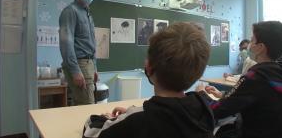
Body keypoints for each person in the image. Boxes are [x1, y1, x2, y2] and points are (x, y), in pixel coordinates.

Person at [83, 22, 215, 138]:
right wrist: (136, 112)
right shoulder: (204, 112)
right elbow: (171, 115)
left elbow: (91, 132)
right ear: (198, 73)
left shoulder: (136, 121)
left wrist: (114, 119)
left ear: (149, 68)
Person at [199, 21, 282, 138]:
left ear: (260, 47)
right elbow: (255, 98)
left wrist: (201, 94)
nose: (249, 44)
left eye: (252, 40)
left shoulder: (256, 76)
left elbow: (218, 111)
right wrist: (222, 94)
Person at [59, 0, 98, 105]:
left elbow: (90, 43)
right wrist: (75, 71)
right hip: (79, 63)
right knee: (87, 106)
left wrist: (95, 68)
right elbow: (66, 43)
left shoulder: (88, 14)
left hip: (89, 63)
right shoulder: (70, 11)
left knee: (83, 105)